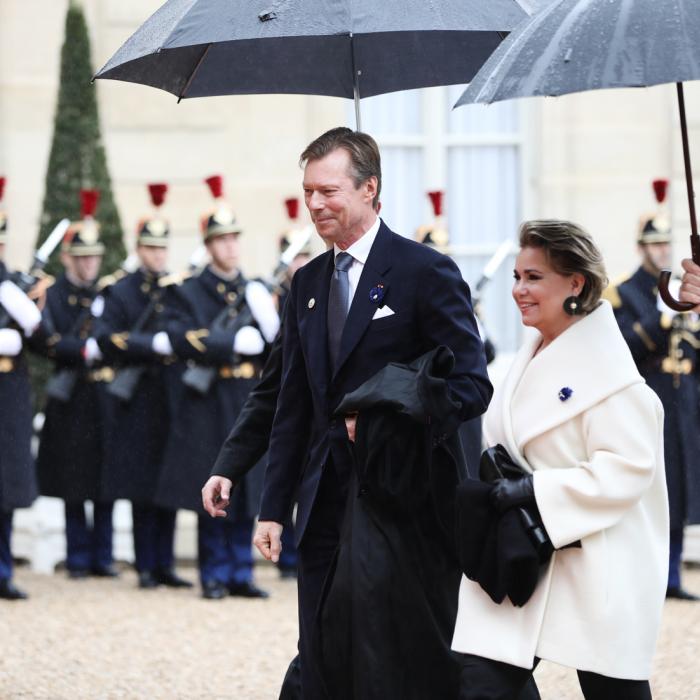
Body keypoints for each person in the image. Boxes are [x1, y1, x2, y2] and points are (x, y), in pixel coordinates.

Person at [249, 127, 492, 698]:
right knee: (323, 658)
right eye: (308, 191)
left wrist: (390, 409)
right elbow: (291, 406)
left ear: (369, 189)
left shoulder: (424, 272)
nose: (314, 204)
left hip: (403, 507)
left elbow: (470, 384)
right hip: (323, 507)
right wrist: (272, 508)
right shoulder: (306, 283)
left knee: (396, 665)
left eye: (328, 191)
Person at [453, 220, 669, 699]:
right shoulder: (525, 357)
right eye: (516, 276)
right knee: (480, 679)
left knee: (614, 691)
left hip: (597, 564)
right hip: (520, 554)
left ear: (576, 284)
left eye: (534, 278)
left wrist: (535, 490)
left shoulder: (617, 380)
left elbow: (627, 470)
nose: (518, 290)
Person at [155, 175, 280, 599]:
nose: (230, 247)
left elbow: (277, 349)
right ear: (208, 246)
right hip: (207, 403)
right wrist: (230, 343)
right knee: (216, 487)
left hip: (246, 397)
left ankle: (241, 573)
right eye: (221, 240)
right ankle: (213, 573)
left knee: (247, 491)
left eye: (234, 239)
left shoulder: (254, 289)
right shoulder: (189, 290)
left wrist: (269, 325)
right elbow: (178, 336)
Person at [93, 184, 192, 590]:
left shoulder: (175, 288)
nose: (158, 255)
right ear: (139, 249)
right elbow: (105, 338)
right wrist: (149, 344)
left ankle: (166, 563)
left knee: (168, 481)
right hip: (137, 398)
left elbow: (187, 331)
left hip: (169, 394)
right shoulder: (122, 290)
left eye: (162, 248)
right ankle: (146, 564)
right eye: (151, 249)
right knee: (140, 483)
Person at [605, 179, 700, 600]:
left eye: (666, 243)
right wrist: (660, 322)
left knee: (682, 487)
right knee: (652, 488)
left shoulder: (682, 288)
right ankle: (650, 573)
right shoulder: (624, 291)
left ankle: (674, 575)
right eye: (654, 244)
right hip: (649, 396)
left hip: (684, 400)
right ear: (641, 247)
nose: (662, 250)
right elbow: (621, 346)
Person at [35, 190, 117, 579]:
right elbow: (46, 340)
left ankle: (103, 556)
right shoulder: (54, 293)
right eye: (82, 257)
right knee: (72, 480)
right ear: (68, 257)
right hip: (71, 395)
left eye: (94, 257)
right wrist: (82, 350)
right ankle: (78, 556)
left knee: (105, 478)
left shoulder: (109, 292)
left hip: (102, 395)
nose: (88, 265)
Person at [0, 178, 41, 600]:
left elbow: (43, 339)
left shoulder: (12, 284)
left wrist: (30, 317)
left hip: (7, 395)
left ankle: (2, 569)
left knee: (4, 488)